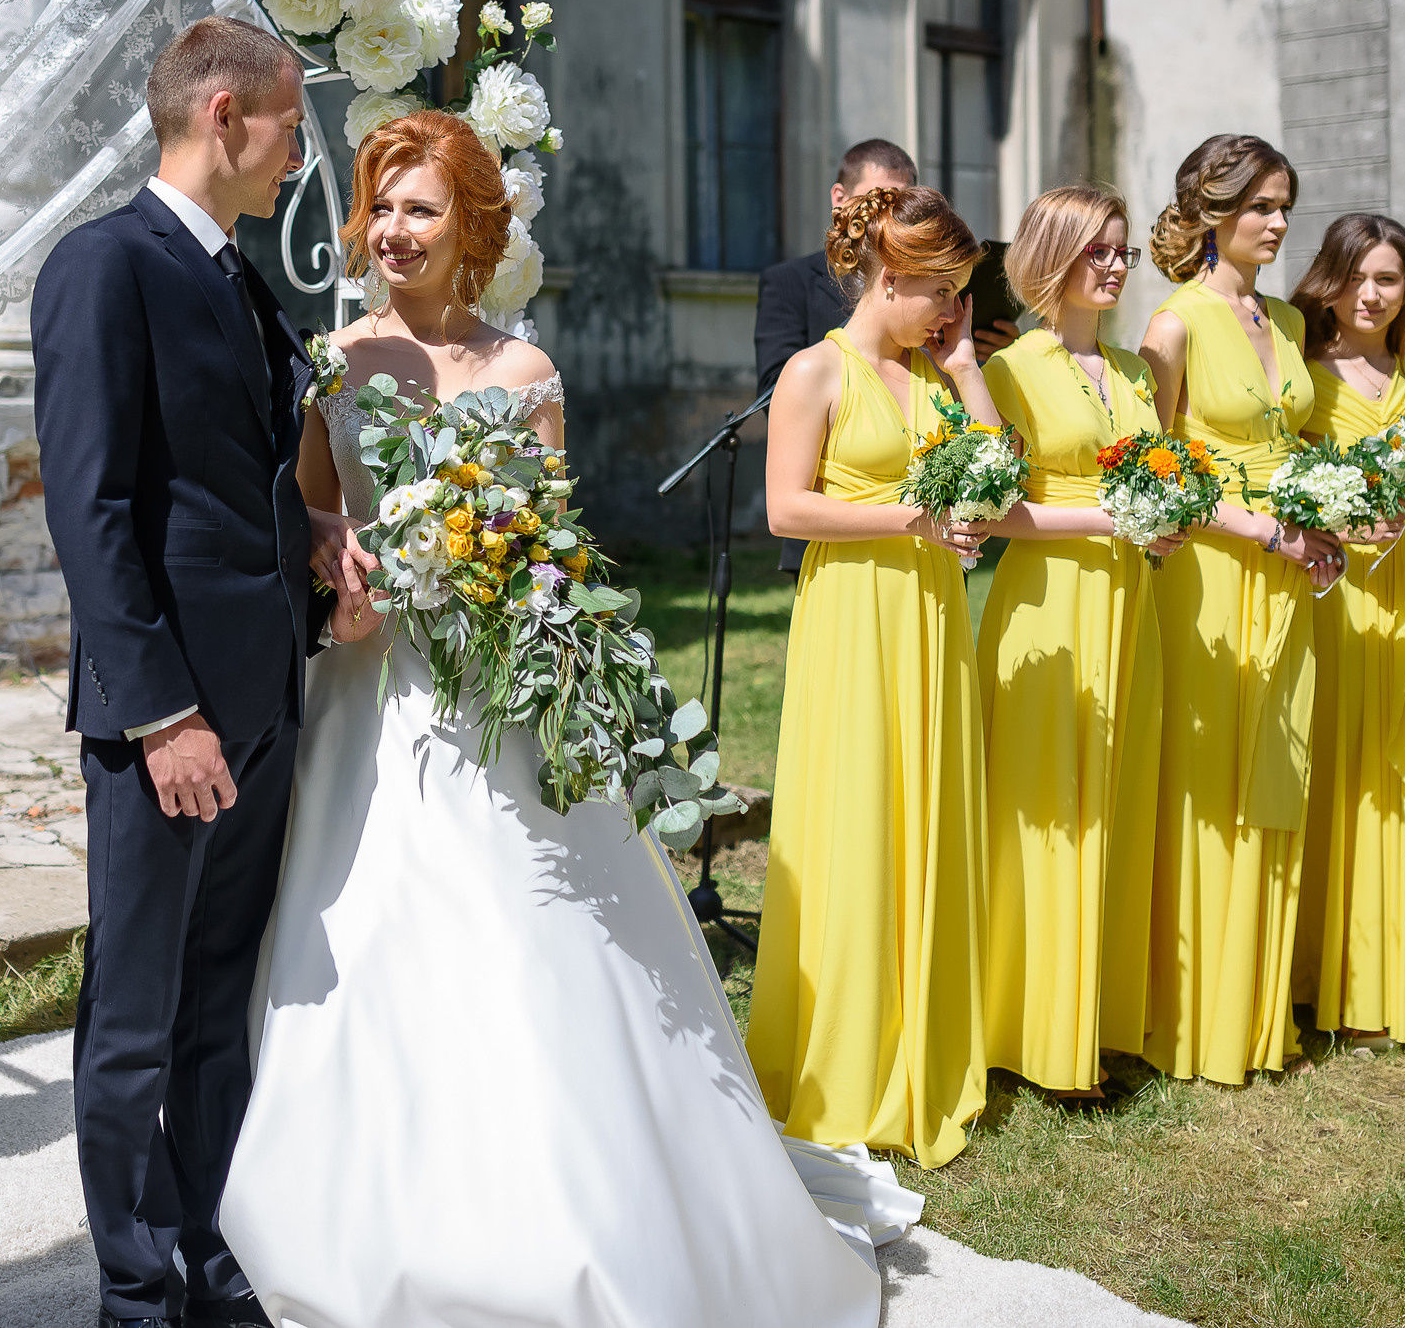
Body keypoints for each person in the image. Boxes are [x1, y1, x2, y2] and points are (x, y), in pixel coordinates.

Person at [223, 109, 918, 1328]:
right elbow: (318, 518)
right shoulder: (334, 361)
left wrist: (504, 591)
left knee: (528, 931)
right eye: (381, 205)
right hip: (371, 694)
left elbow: (550, 542)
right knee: (374, 930)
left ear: (471, 225)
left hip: (498, 691)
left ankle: (578, 1213)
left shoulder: (525, 373)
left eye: (421, 207)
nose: (393, 228)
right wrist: (343, 577)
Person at [32, 17, 348, 1328]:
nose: (299, 158)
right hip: (171, 716)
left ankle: (216, 1265)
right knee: (138, 1018)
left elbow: (237, 475)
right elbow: (93, 511)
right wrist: (163, 714)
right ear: (226, 115)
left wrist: (318, 540)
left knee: (223, 1008)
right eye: (289, 129)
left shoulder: (244, 278)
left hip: (267, 691)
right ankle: (136, 1288)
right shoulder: (103, 265)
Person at [747, 183, 995, 1169]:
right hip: (854, 615)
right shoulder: (819, 370)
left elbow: (993, 465)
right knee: (859, 819)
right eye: (942, 294)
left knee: (923, 812)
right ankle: (843, 1060)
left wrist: (968, 367)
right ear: (891, 278)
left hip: (931, 612)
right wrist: (912, 518)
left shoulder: (933, 374)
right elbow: (784, 508)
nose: (950, 313)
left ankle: (918, 1040)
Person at [1136, 134, 1342, 1084]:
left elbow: (1298, 442)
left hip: (1290, 566)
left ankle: (1261, 1009)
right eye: (1261, 204)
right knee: (1210, 778)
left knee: (1276, 770)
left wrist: (1325, 512)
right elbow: (1161, 476)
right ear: (1213, 210)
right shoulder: (1172, 328)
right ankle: (1193, 1015)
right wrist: (1263, 531)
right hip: (1214, 575)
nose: (1279, 222)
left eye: (1285, 204)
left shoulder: (1293, 327)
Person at [975, 186, 1176, 1097]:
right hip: (1048, 606)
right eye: (1097, 250)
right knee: (1048, 808)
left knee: (1118, 801)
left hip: (1132, 602)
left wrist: (1170, 518)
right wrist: (1113, 517)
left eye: (1124, 251)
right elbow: (998, 509)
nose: (1115, 266)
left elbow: (1167, 476)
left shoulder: (1136, 373)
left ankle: (1098, 1014)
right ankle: (1033, 1032)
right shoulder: (1011, 369)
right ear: (1051, 257)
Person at [1286, 215, 1405, 1048]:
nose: (1371, 293)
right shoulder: (1300, 376)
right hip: (1329, 591)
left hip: (1403, 596)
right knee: (1327, 775)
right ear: (1328, 280)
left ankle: (1374, 979)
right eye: (1356, 276)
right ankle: (1305, 974)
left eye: (1389, 278)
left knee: (1391, 775)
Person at [756, 140, 913, 575]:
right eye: (876, 201)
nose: (886, 218)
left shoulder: (924, 301)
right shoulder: (788, 281)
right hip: (833, 511)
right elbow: (774, 389)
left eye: (899, 205)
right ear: (839, 200)